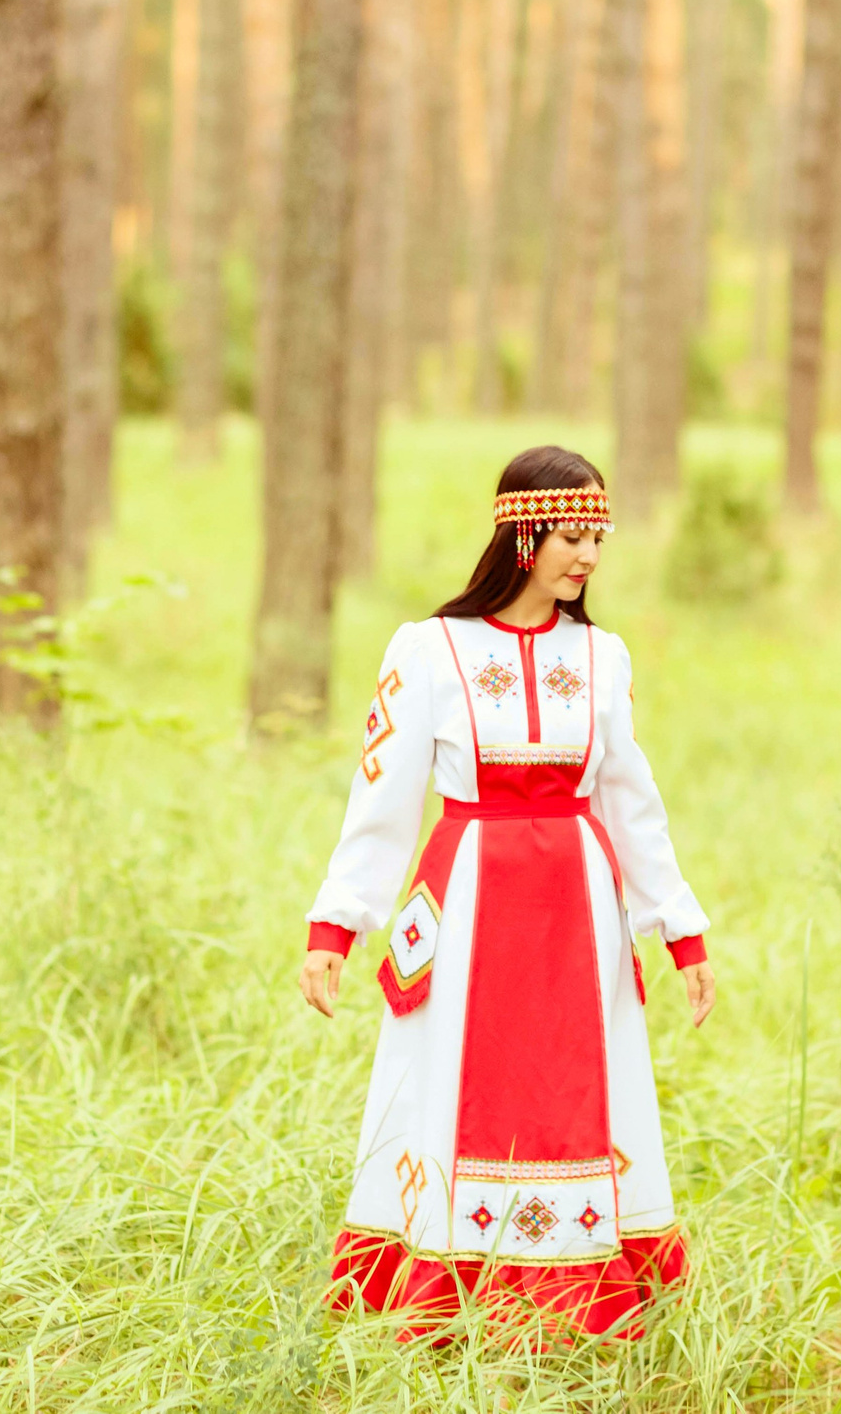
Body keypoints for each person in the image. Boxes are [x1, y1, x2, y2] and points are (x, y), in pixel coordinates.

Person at [298, 444, 717, 1343]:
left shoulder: (603, 657)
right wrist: (336, 923)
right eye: (572, 535)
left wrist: (679, 929)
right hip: (466, 907)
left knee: (575, 1087)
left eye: (596, 537)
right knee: (454, 1085)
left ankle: (574, 1300)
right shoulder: (431, 649)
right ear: (524, 535)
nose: (589, 556)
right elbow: (383, 794)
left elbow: (631, 802)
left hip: (577, 910)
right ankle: (448, 1291)